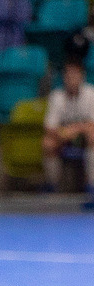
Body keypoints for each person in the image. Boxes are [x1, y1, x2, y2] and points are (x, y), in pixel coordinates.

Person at [42, 58, 94, 209]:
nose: (71, 78)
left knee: (93, 135)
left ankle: (91, 189)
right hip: (63, 137)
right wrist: (64, 132)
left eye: (75, 75)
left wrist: (75, 129)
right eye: (68, 75)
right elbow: (49, 127)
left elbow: (92, 123)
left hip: (85, 136)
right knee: (47, 143)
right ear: (64, 77)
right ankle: (52, 187)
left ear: (82, 76)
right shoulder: (56, 96)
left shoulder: (91, 94)